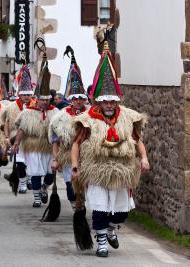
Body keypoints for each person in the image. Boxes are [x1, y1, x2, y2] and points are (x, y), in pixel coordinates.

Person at [71, 41, 150, 257]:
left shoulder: (127, 117)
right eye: (105, 102)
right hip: (97, 169)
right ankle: (102, 243)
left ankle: (111, 229)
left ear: (116, 102)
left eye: (112, 102)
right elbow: (76, 144)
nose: (108, 105)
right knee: (99, 208)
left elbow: (137, 139)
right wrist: (76, 166)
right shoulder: (87, 120)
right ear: (98, 101)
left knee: (120, 213)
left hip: (121, 170)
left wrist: (143, 158)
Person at [13, 38, 59, 207]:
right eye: (41, 100)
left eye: (47, 99)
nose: (44, 103)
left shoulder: (55, 112)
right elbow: (22, 130)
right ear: (36, 99)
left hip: (48, 146)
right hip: (33, 146)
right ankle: (37, 198)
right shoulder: (28, 113)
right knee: (35, 173)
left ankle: (44, 188)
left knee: (48, 175)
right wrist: (16, 144)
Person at [49, 46, 89, 210]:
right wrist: (55, 158)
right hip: (66, 154)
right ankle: (75, 205)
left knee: (86, 185)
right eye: (75, 99)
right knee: (70, 185)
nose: (78, 101)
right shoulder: (61, 116)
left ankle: (83, 203)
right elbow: (55, 140)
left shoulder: (90, 114)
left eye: (81, 98)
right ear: (71, 99)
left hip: (86, 155)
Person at [2, 64, 35, 193]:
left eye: (28, 94)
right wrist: (6, 137)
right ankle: (22, 183)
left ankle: (29, 179)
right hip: (17, 139)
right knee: (20, 162)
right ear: (19, 95)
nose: (26, 97)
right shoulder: (11, 107)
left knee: (32, 164)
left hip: (32, 140)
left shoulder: (36, 105)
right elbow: (6, 123)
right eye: (24, 94)